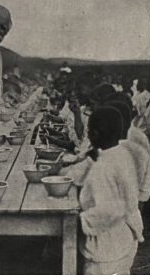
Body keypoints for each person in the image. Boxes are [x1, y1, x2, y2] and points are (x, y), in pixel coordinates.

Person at [78, 107, 143, 275]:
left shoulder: (104, 167)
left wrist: (80, 222)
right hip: (125, 236)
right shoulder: (120, 153)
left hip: (107, 245)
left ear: (95, 134)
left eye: (89, 131)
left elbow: (110, 210)